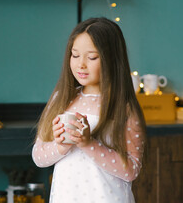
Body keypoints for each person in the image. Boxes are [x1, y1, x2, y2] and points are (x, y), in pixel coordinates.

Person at [32, 17, 146, 202]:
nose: (80, 64)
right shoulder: (61, 99)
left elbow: (131, 170)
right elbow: (38, 157)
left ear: (112, 59)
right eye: (75, 55)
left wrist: (88, 144)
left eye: (92, 57)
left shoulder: (124, 107)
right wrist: (61, 145)